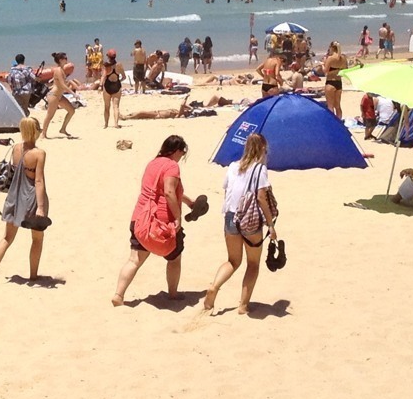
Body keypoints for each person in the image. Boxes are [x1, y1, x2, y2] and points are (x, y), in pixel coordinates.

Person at [112, 135, 200, 306]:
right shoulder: (172, 166)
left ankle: (118, 295)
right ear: (176, 150)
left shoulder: (152, 163)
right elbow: (168, 192)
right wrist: (177, 217)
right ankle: (173, 294)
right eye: (182, 152)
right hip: (161, 222)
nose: (182, 156)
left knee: (134, 260)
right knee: (174, 258)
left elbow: (160, 190)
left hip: (140, 217)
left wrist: (188, 202)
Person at [205, 133, 279, 315]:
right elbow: (261, 197)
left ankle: (214, 286)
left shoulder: (232, 166)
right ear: (262, 149)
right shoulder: (259, 170)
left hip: (231, 217)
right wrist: (270, 224)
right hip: (250, 220)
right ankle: (243, 305)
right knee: (253, 263)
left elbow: (227, 191)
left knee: (233, 260)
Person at [0, 116, 49, 288]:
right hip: (31, 197)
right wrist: (41, 208)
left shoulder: (16, 148)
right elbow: (38, 181)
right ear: (36, 131)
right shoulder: (38, 153)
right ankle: (33, 276)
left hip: (14, 195)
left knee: (7, 238)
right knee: (37, 238)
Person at [39, 52, 76, 138]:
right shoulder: (58, 70)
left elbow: (58, 81)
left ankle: (63, 129)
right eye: (65, 59)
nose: (67, 60)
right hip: (54, 95)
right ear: (60, 60)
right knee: (50, 115)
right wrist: (73, 93)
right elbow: (63, 85)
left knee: (71, 111)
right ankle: (43, 134)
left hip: (59, 96)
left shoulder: (61, 70)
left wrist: (53, 80)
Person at [100, 49, 125, 129]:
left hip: (107, 86)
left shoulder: (106, 65)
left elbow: (103, 76)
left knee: (107, 107)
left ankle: (106, 124)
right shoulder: (119, 65)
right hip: (117, 86)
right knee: (116, 106)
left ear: (108, 56)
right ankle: (116, 124)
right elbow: (124, 77)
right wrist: (119, 81)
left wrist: (100, 85)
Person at [323, 40, 348, 119]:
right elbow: (345, 69)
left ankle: (332, 124)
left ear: (331, 48)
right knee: (338, 106)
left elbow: (325, 71)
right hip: (339, 82)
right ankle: (339, 122)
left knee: (330, 106)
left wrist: (322, 64)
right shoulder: (343, 58)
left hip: (331, 82)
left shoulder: (330, 58)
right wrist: (336, 70)